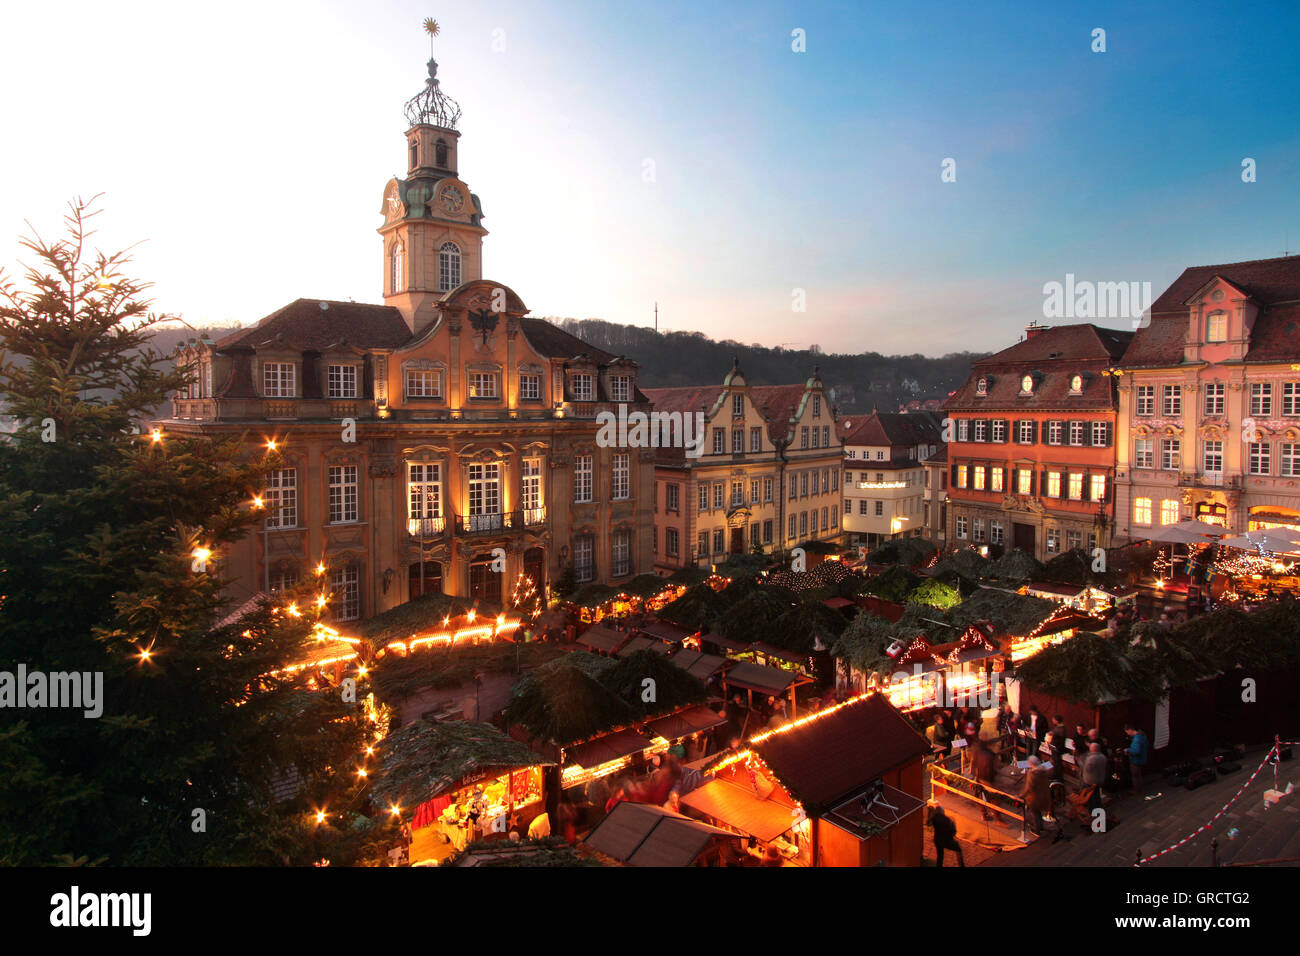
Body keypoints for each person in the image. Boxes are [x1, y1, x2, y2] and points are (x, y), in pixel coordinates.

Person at [971, 738, 1000, 822]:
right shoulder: (990, 754)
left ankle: (984, 814)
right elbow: (993, 767)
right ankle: (998, 818)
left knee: (980, 796)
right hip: (987, 779)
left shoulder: (978, 753)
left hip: (980, 777)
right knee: (994, 798)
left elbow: (974, 764)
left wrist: (975, 775)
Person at [1021, 756, 1052, 836]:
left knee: (1035, 813)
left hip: (1034, 797)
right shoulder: (1044, 770)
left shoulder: (1032, 774)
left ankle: (1037, 830)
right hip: (1044, 795)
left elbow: (1029, 788)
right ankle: (1041, 827)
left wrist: (1021, 795)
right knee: (1038, 813)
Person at [1080, 743, 1108, 826]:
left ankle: (1094, 815)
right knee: (1097, 797)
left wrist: (1081, 762)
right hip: (1099, 780)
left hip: (1090, 781)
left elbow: (1087, 768)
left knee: (1092, 799)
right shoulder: (1102, 756)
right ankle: (1099, 812)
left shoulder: (1092, 759)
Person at [1125, 724, 1149, 792]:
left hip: (1136, 760)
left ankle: (1136, 790)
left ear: (1130, 730)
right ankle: (1140, 788)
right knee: (1139, 775)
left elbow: (1136, 751)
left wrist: (1128, 750)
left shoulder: (1137, 738)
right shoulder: (1143, 736)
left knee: (1135, 776)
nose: (1127, 734)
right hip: (1142, 758)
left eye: (1127, 732)